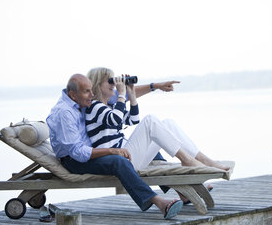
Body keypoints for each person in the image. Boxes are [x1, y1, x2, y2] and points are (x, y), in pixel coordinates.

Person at [46, 74, 183, 220]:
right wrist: (112, 151)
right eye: (87, 91)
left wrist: (154, 86)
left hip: (85, 153)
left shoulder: (80, 100)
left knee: (151, 150)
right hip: (74, 161)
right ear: (73, 95)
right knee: (118, 161)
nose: (92, 95)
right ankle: (158, 202)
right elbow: (78, 152)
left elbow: (120, 95)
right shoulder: (64, 112)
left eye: (92, 90)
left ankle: (181, 190)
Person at [85, 67, 230, 172]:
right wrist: (122, 94)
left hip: (128, 156)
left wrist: (131, 93)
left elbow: (133, 120)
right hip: (119, 161)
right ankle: (187, 160)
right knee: (150, 121)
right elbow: (116, 120)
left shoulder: (109, 107)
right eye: (110, 82)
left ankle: (202, 159)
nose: (114, 85)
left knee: (168, 124)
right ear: (97, 84)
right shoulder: (94, 107)